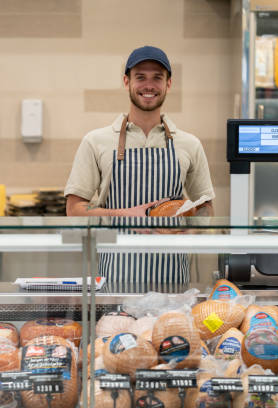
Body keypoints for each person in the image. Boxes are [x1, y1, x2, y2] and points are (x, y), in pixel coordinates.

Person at [64, 45, 215, 285]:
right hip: (116, 277)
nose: (149, 85)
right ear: (126, 82)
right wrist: (126, 215)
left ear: (168, 84)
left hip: (172, 279)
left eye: (157, 77)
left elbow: (205, 207)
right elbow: (74, 210)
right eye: (140, 77)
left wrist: (192, 231)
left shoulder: (190, 144)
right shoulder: (96, 141)